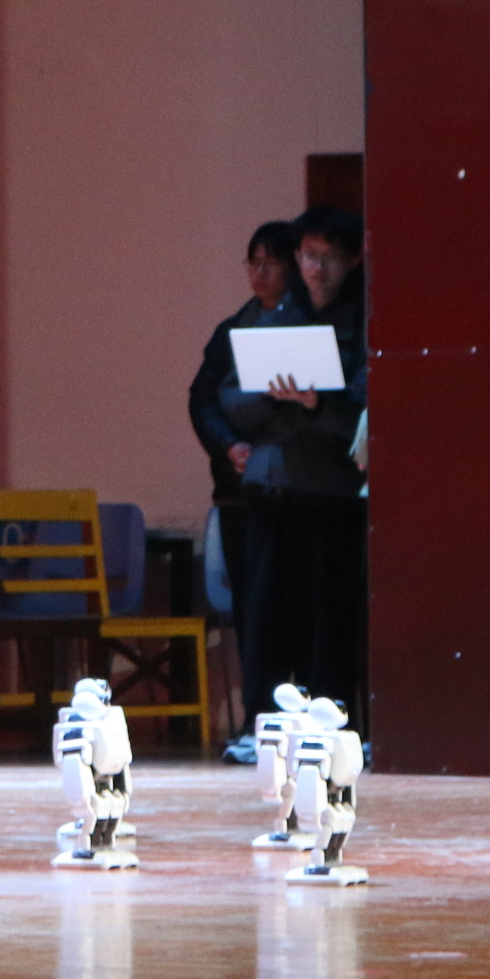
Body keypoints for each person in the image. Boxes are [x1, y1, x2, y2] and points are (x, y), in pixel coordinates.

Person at [218, 205, 367, 721]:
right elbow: (229, 398)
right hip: (270, 490)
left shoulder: (363, 320)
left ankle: (331, 723)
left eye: (329, 258)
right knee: (263, 617)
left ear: (353, 259)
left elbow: (363, 417)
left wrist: (317, 403)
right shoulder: (278, 316)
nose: (315, 269)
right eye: (307, 256)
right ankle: (261, 724)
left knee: (328, 619)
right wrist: (273, 396)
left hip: (330, 494)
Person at [189, 220, 300, 757]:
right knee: (251, 608)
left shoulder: (307, 326)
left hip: (297, 491)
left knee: (296, 607)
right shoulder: (233, 329)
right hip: (240, 491)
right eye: (252, 262)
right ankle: (259, 721)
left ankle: (303, 715)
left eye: (270, 262)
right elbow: (202, 399)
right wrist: (228, 444)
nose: (259, 272)